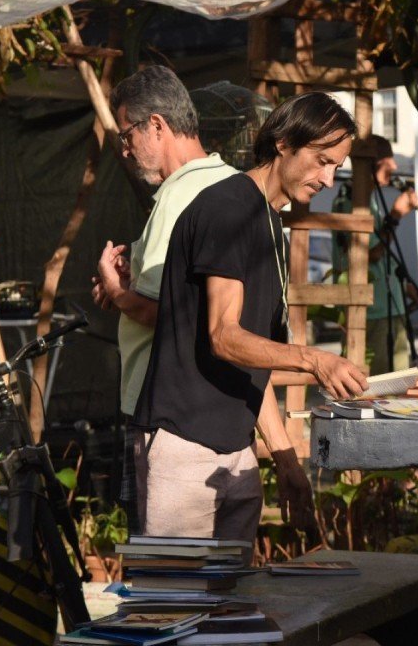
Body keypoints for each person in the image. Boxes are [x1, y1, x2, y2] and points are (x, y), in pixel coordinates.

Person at [133, 91, 369, 544]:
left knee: (230, 608)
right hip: (184, 448)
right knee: (169, 604)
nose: (328, 179)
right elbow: (224, 336)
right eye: (322, 160)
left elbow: (249, 363)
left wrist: (285, 459)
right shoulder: (227, 210)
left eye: (337, 166)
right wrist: (316, 361)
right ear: (283, 142)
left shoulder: (271, 228)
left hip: (236, 452)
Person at [90, 65, 239, 528]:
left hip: (163, 412)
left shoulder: (178, 198)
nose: (126, 149)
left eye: (127, 134)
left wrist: (117, 292)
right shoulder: (231, 183)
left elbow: (161, 313)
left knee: (165, 580)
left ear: (156, 124)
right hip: (223, 410)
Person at [332, 134, 418, 375]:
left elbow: (381, 257)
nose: (393, 166)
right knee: (378, 386)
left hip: (389, 308)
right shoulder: (350, 201)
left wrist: (403, 287)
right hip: (370, 311)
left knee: (400, 381)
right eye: (386, 158)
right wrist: (395, 215)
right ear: (369, 164)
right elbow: (369, 254)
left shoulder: (371, 199)